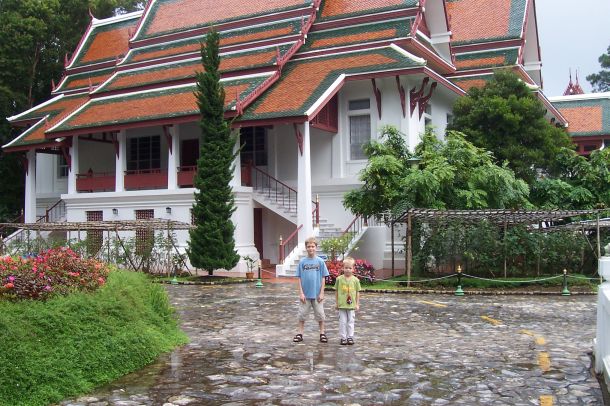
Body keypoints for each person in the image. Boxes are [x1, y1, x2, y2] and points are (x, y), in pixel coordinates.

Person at [293, 236, 330, 343]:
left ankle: (322, 333)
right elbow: (299, 278)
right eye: (309, 246)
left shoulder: (320, 262)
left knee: (320, 314)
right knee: (302, 314)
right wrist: (301, 293)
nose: (311, 248)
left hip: (317, 295)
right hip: (305, 295)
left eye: (313, 246)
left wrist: (322, 292)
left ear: (316, 247)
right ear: (306, 248)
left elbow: (323, 277)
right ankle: (300, 333)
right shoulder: (302, 262)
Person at [335, 256, 361, 345]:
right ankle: (343, 337)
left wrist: (357, 304)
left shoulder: (356, 280)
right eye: (346, 268)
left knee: (351, 321)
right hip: (342, 305)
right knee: (342, 322)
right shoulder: (339, 279)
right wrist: (337, 303)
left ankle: (350, 337)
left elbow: (357, 292)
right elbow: (336, 291)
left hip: (351, 305)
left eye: (350, 268)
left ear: (353, 269)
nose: (348, 270)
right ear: (343, 268)